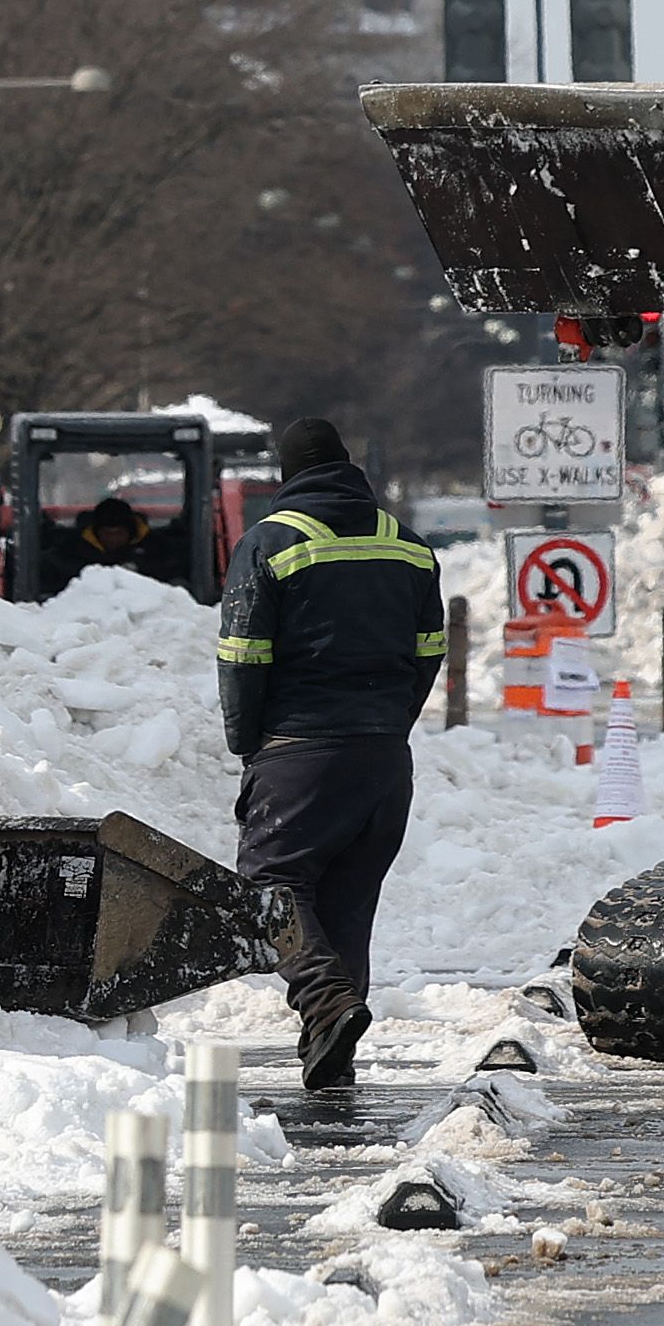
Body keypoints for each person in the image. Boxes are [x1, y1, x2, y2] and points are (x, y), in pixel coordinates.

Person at [211, 416, 448, 1088]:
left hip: (299, 750)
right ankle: (331, 1047)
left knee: (269, 883)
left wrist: (247, 739)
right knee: (346, 899)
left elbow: (242, 655)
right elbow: (429, 651)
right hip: (383, 758)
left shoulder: (272, 542)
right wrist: (389, 723)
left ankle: (325, 1000)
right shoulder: (408, 546)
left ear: (288, 474)